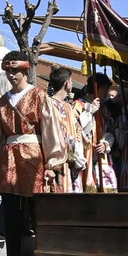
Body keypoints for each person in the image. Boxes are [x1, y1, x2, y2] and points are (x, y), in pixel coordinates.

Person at [0, 50, 64, 256]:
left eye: (15, 70)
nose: (11, 74)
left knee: (39, 212)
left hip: (34, 157)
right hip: (9, 157)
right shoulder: (2, 102)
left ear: (25, 70)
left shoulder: (40, 97)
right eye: (7, 70)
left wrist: (53, 162)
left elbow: (51, 130)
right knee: (10, 215)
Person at [45, 65, 85, 195]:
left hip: (72, 160)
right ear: (67, 83)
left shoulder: (68, 107)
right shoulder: (49, 104)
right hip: (58, 161)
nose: (72, 84)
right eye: (71, 81)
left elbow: (76, 129)